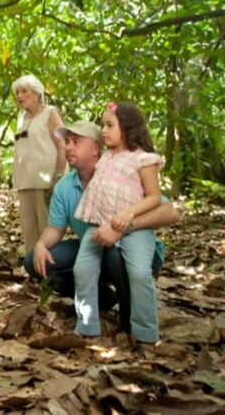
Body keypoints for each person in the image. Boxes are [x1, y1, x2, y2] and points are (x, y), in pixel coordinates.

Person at [25, 120, 178, 334]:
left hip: (131, 248)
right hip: (93, 246)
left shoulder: (122, 176)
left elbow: (170, 212)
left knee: (117, 255)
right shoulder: (65, 186)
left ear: (96, 149)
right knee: (35, 261)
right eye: (67, 141)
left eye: (76, 142)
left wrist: (125, 225)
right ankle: (103, 298)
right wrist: (41, 244)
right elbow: (56, 228)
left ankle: (130, 319)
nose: (68, 147)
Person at [72, 103, 163, 342]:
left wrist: (129, 214)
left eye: (110, 125)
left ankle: (145, 332)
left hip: (133, 229)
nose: (103, 130)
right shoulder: (105, 158)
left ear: (129, 128)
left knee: (139, 274)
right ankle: (87, 325)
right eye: (103, 124)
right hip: (99, 224)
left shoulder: (144, 159)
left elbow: (154, 196)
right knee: (82, 269)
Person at [11, 74, 67, 253]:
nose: (19, 96)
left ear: (37, 93)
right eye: (17, 92)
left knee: (48, 228)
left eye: (24, 91)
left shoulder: (50, 113)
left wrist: (59, 177)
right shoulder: (22, 118)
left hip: (46, 181)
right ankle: (33, 269)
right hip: (25, 181)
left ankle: (51, 273)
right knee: (29, 230)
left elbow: (63, 145)